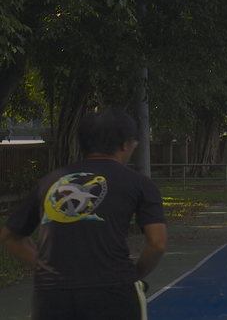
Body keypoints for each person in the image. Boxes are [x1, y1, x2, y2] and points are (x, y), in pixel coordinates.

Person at [0, 107, 166, 320]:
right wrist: (134, 276)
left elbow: (9, 237)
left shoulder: (50, 181)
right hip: (113, 290)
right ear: (125, 144)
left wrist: (48, 269)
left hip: (51, 295)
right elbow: (158, 243)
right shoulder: (140, 183)